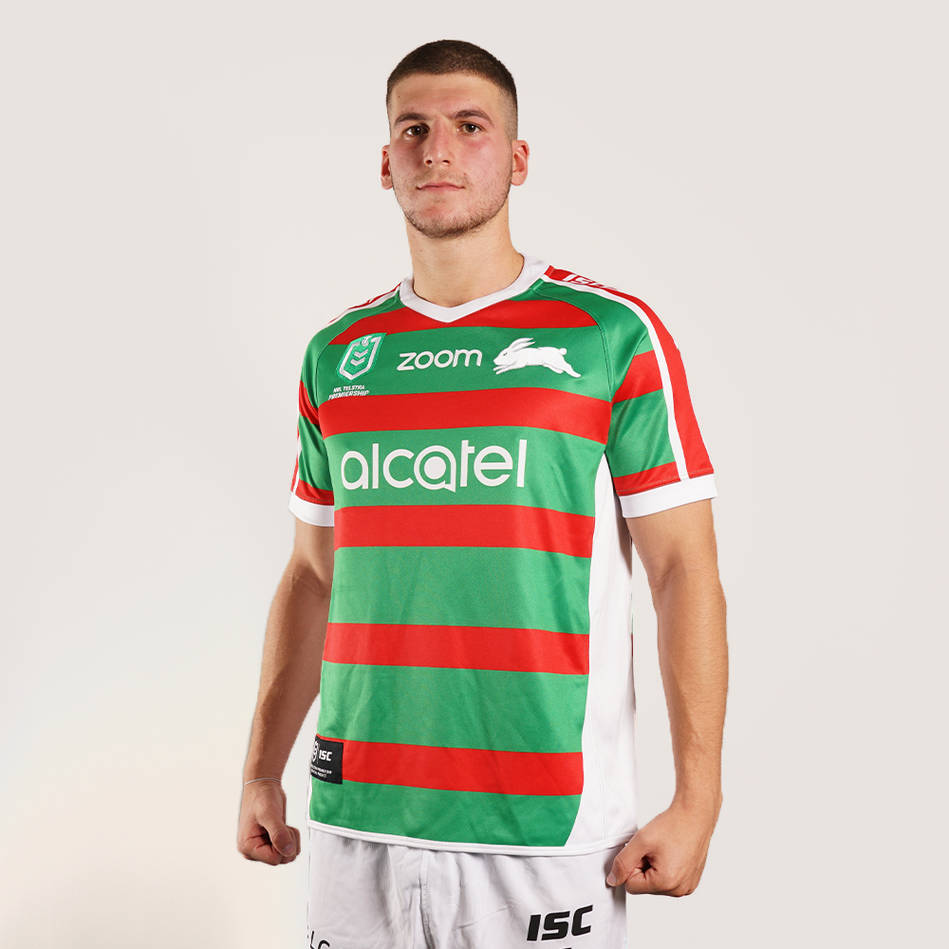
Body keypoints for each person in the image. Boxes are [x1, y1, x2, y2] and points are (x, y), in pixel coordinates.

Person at [237, 38, 728, 949]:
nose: (438, 150)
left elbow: (683, 572)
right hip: (356, 818)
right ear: (384, 163)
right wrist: (262, 770)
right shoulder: (337, 354)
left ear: (517, 157)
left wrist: (697, 801)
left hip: (544, 828)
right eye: (413, 130)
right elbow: (312, 575)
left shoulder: (608, 334)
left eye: (470, 126)